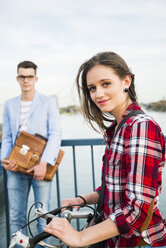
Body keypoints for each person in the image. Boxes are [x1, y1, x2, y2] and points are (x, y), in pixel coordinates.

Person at [44, 52, 166, 248]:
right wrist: (82, 199)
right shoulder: (118, 128)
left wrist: (80, 238)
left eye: (105, 84)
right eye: (92, 88)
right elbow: (115, 187)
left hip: (132, 242)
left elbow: (137, 209)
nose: (98, 94)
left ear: (126, 81)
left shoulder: (141, 127)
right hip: (111, 237)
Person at [1, 61, 61, 247]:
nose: (26, 80)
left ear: (35, 78)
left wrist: (44, 163)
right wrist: (4, 159)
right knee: (16, 216)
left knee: (42, 216)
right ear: (18, 78)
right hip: (15, 167)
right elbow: (8, 136)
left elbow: (55, 134)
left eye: (29, 76)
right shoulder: (9, 104)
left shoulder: (48, 102)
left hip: (40, 167)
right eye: (22, 76)